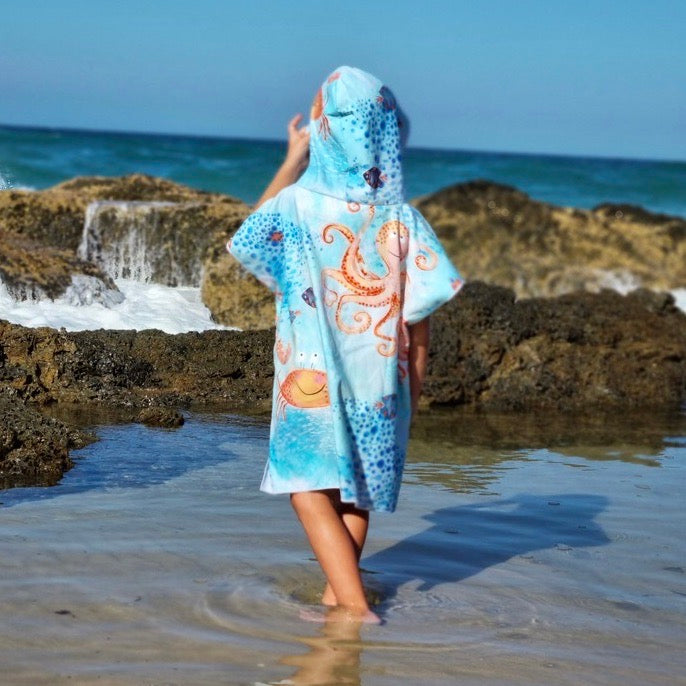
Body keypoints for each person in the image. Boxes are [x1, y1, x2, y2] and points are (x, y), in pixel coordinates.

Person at [227, 66, 465, 624]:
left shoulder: (298, 206)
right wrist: (417, 391)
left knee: (306, 486)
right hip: (385, 382)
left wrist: (290, 161)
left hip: (307, 378)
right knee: (355, 493)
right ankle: (340, 599)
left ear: (325, 129)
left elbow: (247, 238)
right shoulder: (402, 218)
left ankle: (355, 609)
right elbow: (421, 319)